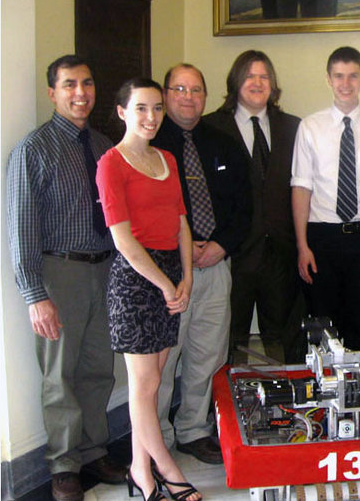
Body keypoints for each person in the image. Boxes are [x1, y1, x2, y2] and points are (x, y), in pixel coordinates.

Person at [6, 54, 126, 501]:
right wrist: (35, 295)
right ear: (52, 92)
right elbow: (20, 229)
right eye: (70, 84)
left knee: (98, 369)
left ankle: (94, 451)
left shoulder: (101, 145)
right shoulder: (32, 150)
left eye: (88, 84)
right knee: (60, 375)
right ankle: (63, 466)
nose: (81, 93)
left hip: (105, 270)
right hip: (60, 273)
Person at [96, 78, 200, 501]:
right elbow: (123, 240)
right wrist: (165, 285)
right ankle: (169, 470)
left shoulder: (168, 160)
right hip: (136, 280)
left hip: (171, 273)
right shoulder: (111, 163)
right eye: (141, 108)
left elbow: (181, 223)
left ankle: (140, 470)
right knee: (143, 385)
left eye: (157, 108)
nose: (151, 117)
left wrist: (186, 278)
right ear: (122, 112)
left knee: (154, 381)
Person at [152, 64, 251, 465]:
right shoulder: (151, 142)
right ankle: (156, 433)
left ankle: (193, 429)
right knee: (164, 355)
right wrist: (182, 248)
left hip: (215, 266)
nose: (188, 96)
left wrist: (221, 246)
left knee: (208, 354)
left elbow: (244, 206)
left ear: (206, 97)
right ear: (165, 94)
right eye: (179, 88)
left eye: (196, 89)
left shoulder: (222, 142)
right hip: (169, 271)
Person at [291, 46, 360, 355]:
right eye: (338, 76)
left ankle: (359, 402)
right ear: (328, 79)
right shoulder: (310, 127)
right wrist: (302, 246)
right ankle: (323, 401)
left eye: (353, 76)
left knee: (359, 328)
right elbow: (301, 188)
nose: (345, 83)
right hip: (320, 238)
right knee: (321, 330)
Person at [205, 50, 303, 364]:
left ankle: (287, 407)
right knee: (230, 341)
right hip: (232, 256)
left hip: (282, 257)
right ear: (236, 82)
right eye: (249, 76)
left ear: (273, 85)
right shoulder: (211, 129)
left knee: (284, 342)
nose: (257, 83)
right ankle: (229, 408)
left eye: (264, 76)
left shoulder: (293, 127)